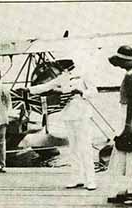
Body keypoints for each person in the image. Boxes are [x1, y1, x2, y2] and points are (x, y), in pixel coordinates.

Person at [29, 60, 97, 190]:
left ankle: (91, 180)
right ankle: (77, 178)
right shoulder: (62, 78)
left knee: (85, 148)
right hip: (69, 116)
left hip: (82, 115)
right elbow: (46, 86)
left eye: (64, 68)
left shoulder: (84, 75)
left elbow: (94, 92)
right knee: (73, 149)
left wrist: (82, 92)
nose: (63, 70)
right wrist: (28, 90)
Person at [107, 45, 132, 206]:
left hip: (131, 116)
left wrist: (127, 124)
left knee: (128, 152)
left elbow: (131, 101)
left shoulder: (130, 75)